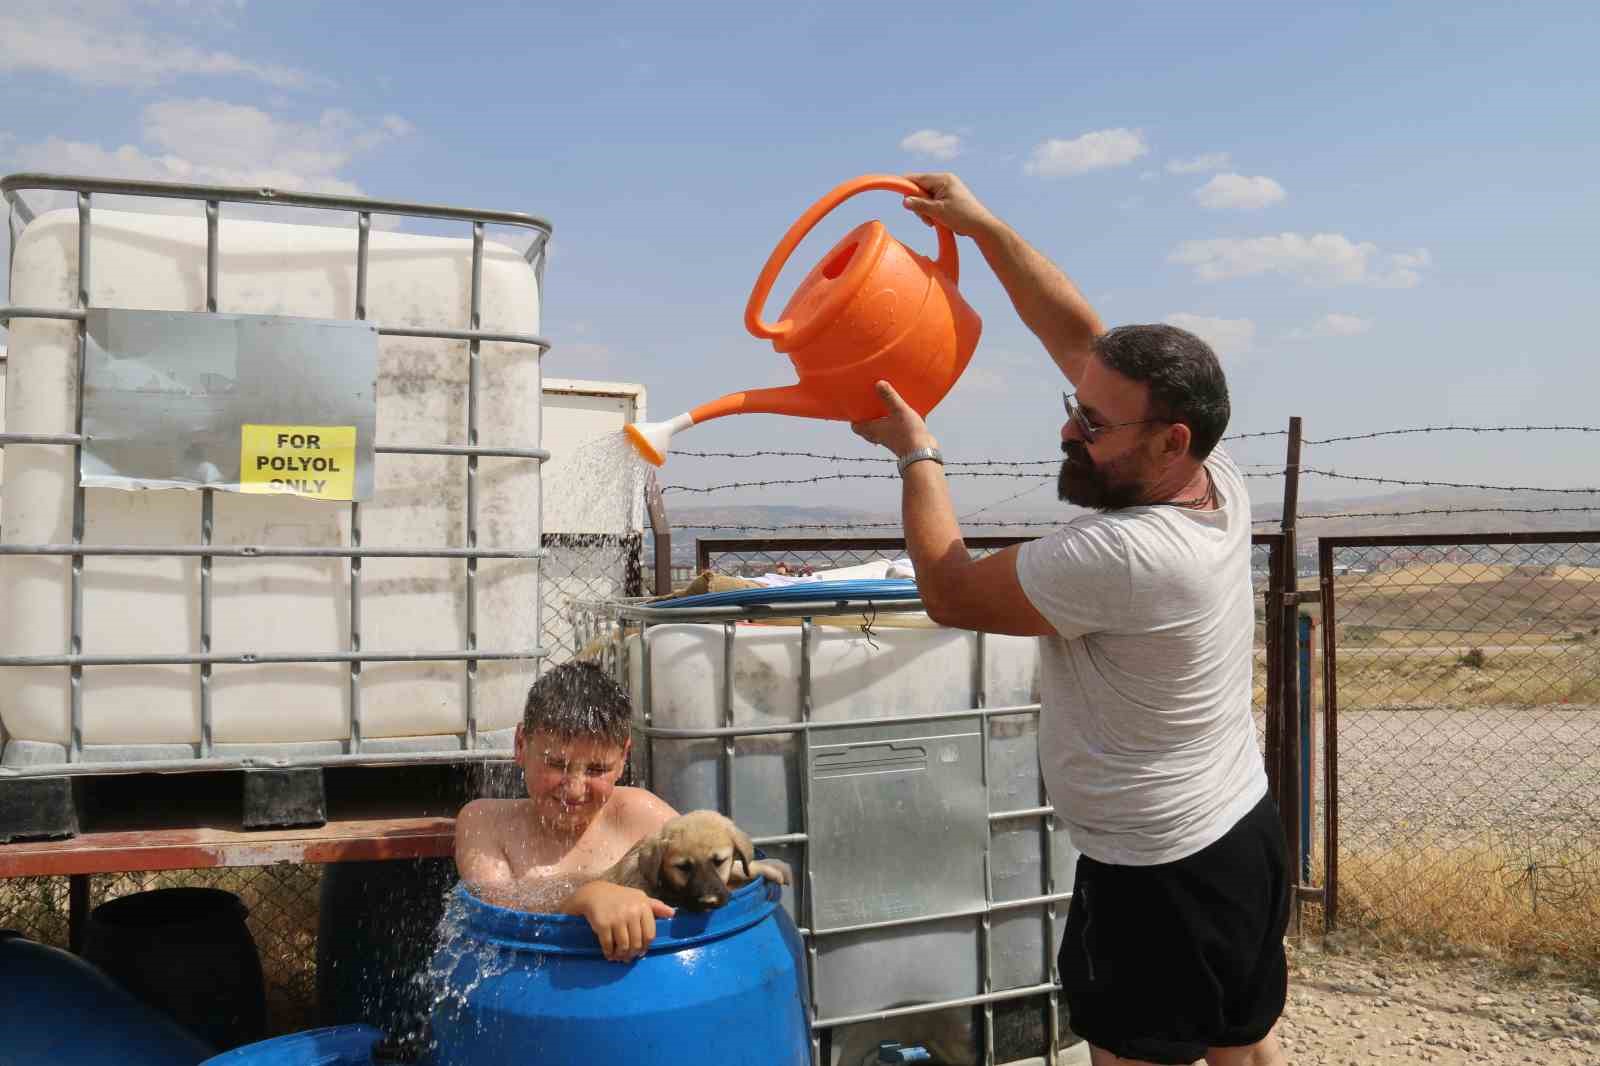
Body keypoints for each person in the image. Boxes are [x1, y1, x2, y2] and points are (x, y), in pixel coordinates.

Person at [849, 173, 1290, 1066]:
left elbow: (950, 590)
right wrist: (985, 229)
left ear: (1169, 441)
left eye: (1093, 423)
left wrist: (917, 454)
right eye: (1073, 409)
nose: (1069, 433)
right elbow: (1080, 335)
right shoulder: (1215, 472)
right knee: (1241, 1045)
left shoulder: (1126, 556)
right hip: (1241, 832)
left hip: (1154, 873)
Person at [455, 660, 680, 962]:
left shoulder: (641, 815)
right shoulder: (486, 822)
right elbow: (497, 911)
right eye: (556, 764)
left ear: (624, 757)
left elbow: (712, 867)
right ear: (521, 745)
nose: (574, 789)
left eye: (598, 769)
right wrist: (583, 898)